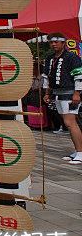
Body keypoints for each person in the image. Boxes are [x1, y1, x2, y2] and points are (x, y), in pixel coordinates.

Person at [43, 33, 82, 164]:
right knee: (68, 123)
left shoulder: (71, 57)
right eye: (51, 42)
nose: (54, 44)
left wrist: (77, 93)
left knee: (70, 123)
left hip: (70, 93)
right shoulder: (49, 58)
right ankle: (77, 151)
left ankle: (80, 153)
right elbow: (48, 77)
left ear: (63, 43)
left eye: (57, 42)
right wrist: (47, 93)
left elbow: (78, 76)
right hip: (57, 93)